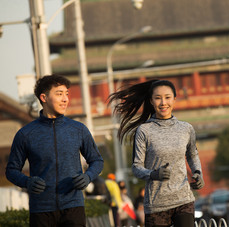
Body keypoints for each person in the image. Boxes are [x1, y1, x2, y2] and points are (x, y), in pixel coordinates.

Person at [5, 74, 104, 227]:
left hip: (73, 207)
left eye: (67, 94)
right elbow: (11, 170)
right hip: (41, 210)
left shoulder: (78, 129)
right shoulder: (25, 134)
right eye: (59, 94)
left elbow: (97, 161)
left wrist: (88, 177)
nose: (65, 99)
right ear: (43, 97)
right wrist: (27, 182)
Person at [108, 79, 205, 227]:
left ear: (174, 99)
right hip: (156, 204)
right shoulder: (144, 131)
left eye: (167, 97)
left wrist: (198, 172)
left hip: (183, 199)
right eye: (158, 98)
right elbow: (136, 167)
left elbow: (192, 154)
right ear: (151, 101)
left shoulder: (186, 128)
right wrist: (153, 174)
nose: (163, 102)